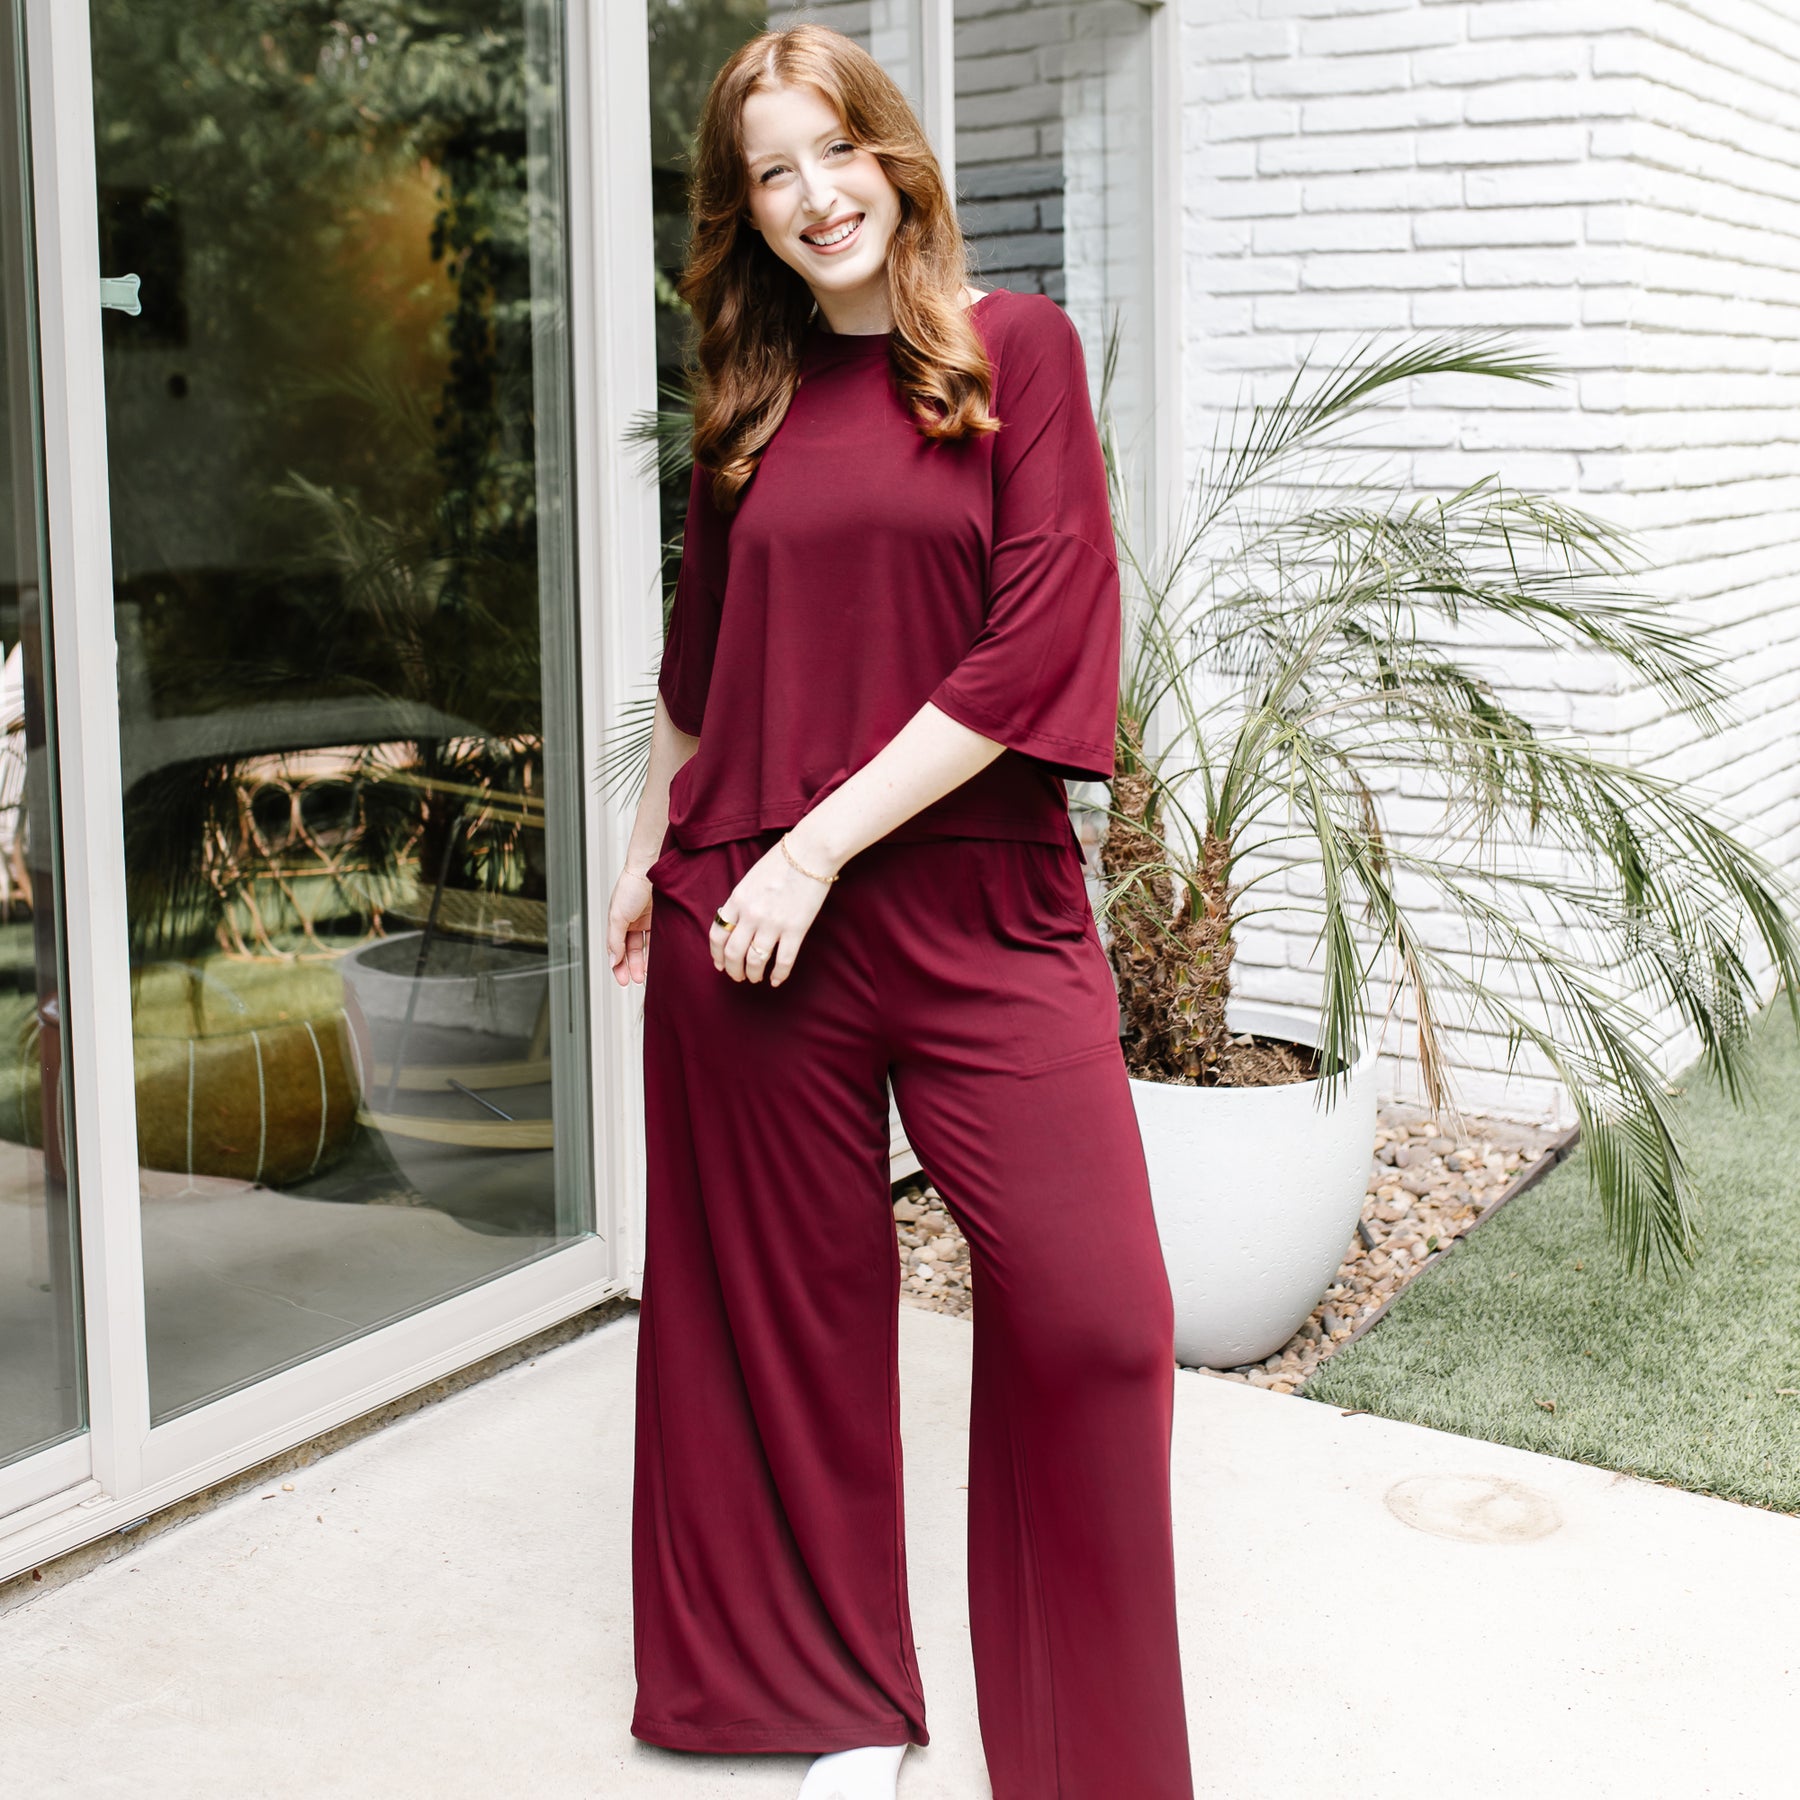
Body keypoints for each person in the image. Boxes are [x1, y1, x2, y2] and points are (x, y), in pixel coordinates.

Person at [605, 23, 1194, 1800]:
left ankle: (1092, 1765)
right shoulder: (749, 407)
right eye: (770, 174)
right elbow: (701, 673)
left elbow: (1034, 647)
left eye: (833, 151)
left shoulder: (1020, 353)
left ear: (893, 153)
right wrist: (650, 852)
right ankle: (839, 1702)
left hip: (975, 909)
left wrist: (815, 848)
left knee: (1100, 1321)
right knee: (782, 1325)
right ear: (747, 213)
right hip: (752, 925)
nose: (813, 196)